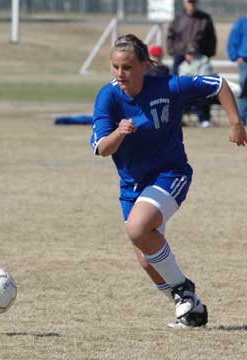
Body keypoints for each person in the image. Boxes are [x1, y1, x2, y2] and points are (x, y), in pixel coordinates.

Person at [90, 33, 247, 329]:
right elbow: (102, 149)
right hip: (131, 186)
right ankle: (192, 309)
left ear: (144, 66)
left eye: (127, 67)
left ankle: (183, 288)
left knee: (138, 228)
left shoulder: (169, 86)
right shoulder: (108, 96)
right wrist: (119, 133)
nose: (120, 74)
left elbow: (219, 84)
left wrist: (236, 123)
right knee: (147, 260)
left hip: (170, 174)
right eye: (115, 67)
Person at [166, 0, 216, 75]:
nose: (191, 4)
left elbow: (211, 38)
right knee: (176, 80)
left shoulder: (205, 18)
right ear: (184, 2)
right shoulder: (178, 17)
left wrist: (208, 53)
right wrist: (171, 49)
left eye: (193, 2)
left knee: (201, 81)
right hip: (180, 54)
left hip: (199, 55)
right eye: (189, 2)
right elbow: (171, 35)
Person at [179, 41, 214, 128]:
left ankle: (204, 119)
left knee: (201, 98)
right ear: (185, 54)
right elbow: (181, 80)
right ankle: (178, 120)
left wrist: (190, 81)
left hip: (202, 90)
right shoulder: (182, 66)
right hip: (187, 91)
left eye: (193, 53)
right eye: (189, 53)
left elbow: (204, 78)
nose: (191, 55)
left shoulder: (204, 61)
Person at [227, 14, 247, 126]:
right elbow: (232, 40)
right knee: (244, 90)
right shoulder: (241, 23)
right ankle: (241, 119)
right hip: (244, 61)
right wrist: (235, 56)